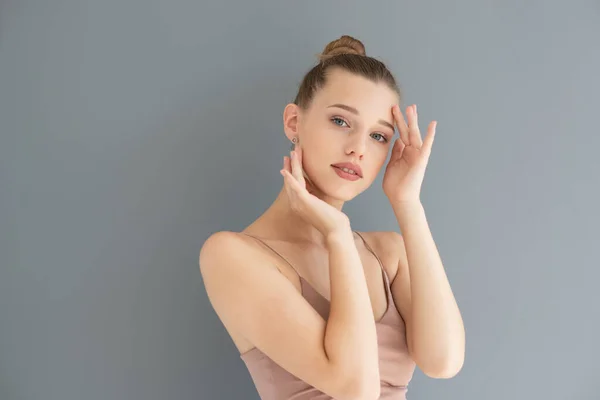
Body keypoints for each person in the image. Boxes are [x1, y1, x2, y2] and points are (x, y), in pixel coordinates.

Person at [199, 35, 465, 400]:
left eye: (378, 136)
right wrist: (338, 236)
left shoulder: (389, 255)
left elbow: (444, 361)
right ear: (294, 122)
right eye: (341, 121)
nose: (358, 147)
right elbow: (355, 390)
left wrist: (407, 204)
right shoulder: (232, 255)